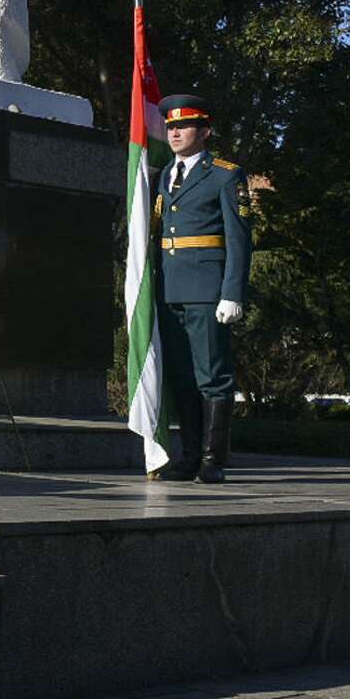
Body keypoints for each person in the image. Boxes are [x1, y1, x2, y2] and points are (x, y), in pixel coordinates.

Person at [152, 94, 251, 483]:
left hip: (208, 291)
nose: (175, 133)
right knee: (182, 377)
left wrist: (233, 291)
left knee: (212, 375)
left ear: (205, 131)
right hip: (171, 288)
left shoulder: (225, 175)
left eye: (183, 126)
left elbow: (239, 238)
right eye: (171, 127)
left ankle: (214, 460)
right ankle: (189, 456)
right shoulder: (164, 174)